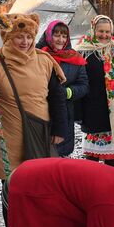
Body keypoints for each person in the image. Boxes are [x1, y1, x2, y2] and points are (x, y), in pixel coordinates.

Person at [0, 13, 67, 197]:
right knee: (14, 187)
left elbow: (57, 97)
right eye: (19, 37)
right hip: (9, 136)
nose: (25, 42)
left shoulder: (44, 61)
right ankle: (13, 224)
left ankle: (36, 224)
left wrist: (60, 129)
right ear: (8, 37)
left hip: (39, 132)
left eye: (29, 37)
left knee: (41, 184)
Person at [77, 15, 114, 166]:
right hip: (92, 107)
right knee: (93, 157)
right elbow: (78, 79)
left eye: (108, 31)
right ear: (93, 29)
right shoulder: (83, 50)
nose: (104, 35)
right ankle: (93, 185)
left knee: (112, 154)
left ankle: (110, 183)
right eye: (101, 31)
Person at [36, 20, 89, 157]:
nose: (60, 39)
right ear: (48, 35)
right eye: (56, 35)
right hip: (39, 111)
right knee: (39, 154)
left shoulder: (74, 58)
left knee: (60, 155)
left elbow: (83, 85)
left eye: (64, 36)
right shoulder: (37, 55)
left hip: (64, 113)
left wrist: (67, 92)